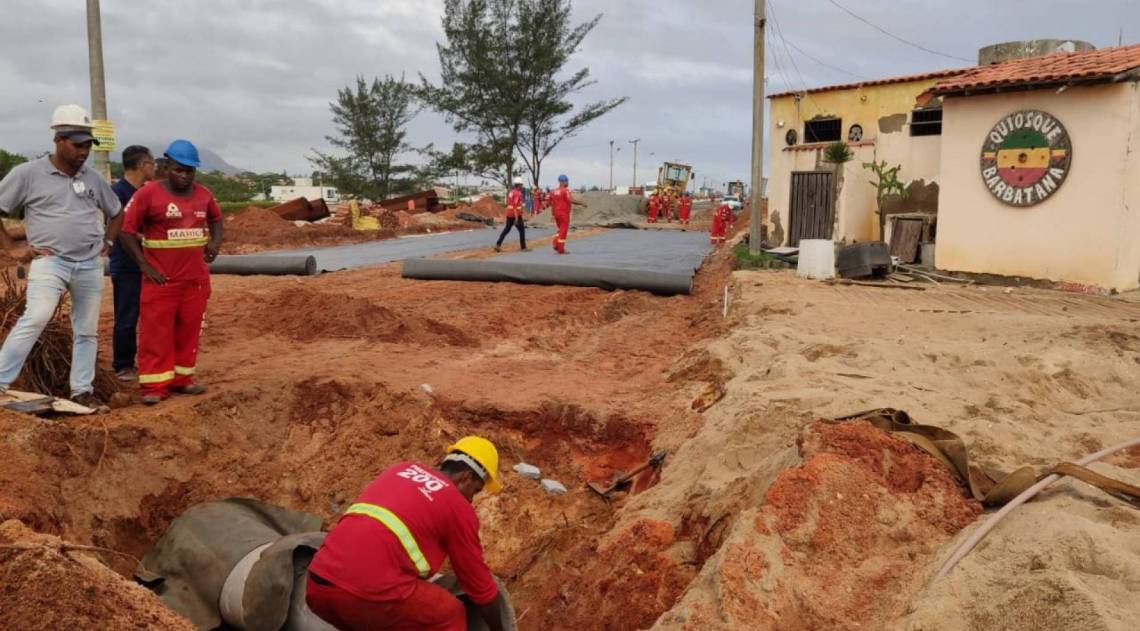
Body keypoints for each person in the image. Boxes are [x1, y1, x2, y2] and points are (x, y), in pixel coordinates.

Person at [307, 437, 508, 631]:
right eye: (476, 490)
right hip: (363, 592)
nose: (472, 500)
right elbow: (480, 588)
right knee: (450, 614)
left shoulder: (402, 470)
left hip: (317, 583)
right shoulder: (458, 506)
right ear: (465, 477)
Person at [0, 104, 123, 412]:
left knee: (86, 330)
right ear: (58, 139)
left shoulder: (92, 178)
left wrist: (108, 240)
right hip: (50, 261)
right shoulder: (28, 174)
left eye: (87, 145)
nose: (84, 151)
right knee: (37, 316)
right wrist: (13, 250)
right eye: (78, 144)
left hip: (89, 264)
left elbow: (117, 212)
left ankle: (82, 391)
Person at [120, 140, 223, 405]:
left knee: (189, 331)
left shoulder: (204, 195)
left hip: (194, 281)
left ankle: (182, 379)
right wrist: (143, 264)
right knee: (156, 332)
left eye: (189, 171)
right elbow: (126, 230)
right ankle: (154, 385)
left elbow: (216, 220)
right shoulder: (147, 194)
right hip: (161, 281)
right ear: (166, 166)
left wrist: (214, 243)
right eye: (179, 170)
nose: (184, 176)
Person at [109, 145, 157, 381]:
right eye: (152, 163)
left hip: (144, 263)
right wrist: (148, 238)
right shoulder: (118, 192)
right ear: (141, 165)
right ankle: (123, 364)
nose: (155, 168)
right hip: (126, 263)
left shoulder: (144, 192)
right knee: (127, 314)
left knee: (147, 313)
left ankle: (145, 360)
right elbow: (119, 229)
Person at [548, 174, 586, 254]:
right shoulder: (565, 190)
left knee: (560, 230)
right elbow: (571, 200)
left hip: (557, 214)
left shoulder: (554, 191)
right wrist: (581, 203)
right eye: (567, 181)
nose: (568, 182)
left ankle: (556, 244)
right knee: (563, 231)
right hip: (564, 214)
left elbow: (553, 204)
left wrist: (553, 215)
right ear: (563, 181)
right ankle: (560, 249)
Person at [494, 177, 527, 252]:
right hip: (515, 215)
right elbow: (515, 206)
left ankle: (498, 244)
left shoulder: (511, 192)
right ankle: (523, 247)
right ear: (519, 185)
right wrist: (516, 218)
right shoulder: (517, 194)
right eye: (521, 185)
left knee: (506, 230)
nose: (522, 187)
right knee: (522, 230)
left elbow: (510, 204)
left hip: (509, 214)